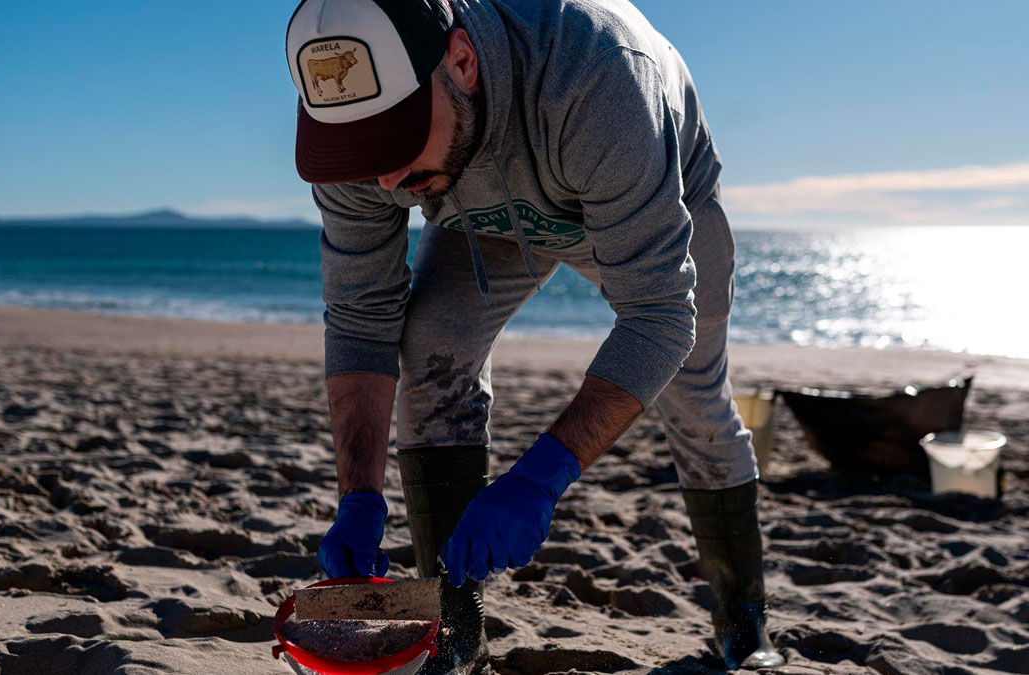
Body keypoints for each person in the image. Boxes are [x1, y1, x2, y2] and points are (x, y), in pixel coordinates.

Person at [285, 0, 785, 671]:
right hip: (479, 209)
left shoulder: (597, 76)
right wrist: (360, 495)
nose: (384, 179)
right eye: (359, 147)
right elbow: (360, 316)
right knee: (430, 342)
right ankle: (457, 638)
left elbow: (659, 314)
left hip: (656, 196)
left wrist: (541, 478)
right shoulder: (362, 149)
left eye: (395, 138)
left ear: (461, 62)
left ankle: (744, 626)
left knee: (695, 398)